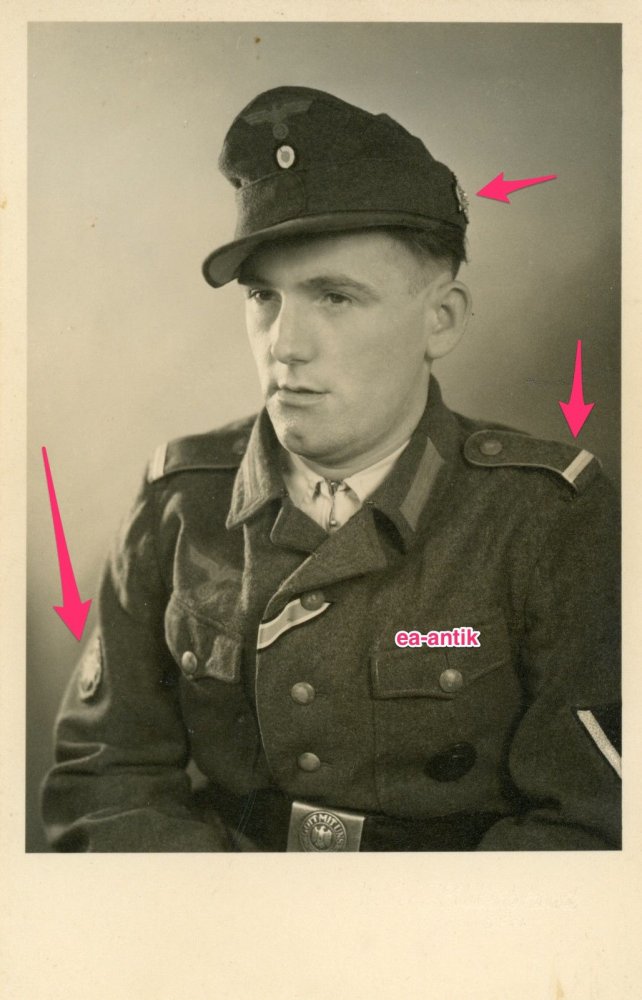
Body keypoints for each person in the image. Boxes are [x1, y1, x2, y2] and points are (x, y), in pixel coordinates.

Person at [41, 86, 620, 852]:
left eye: (335, 297)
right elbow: (105, 780)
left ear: (441, 319)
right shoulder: (179, 502)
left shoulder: (548, 517)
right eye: (263, 296)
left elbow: (591, 826)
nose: (285, 345)